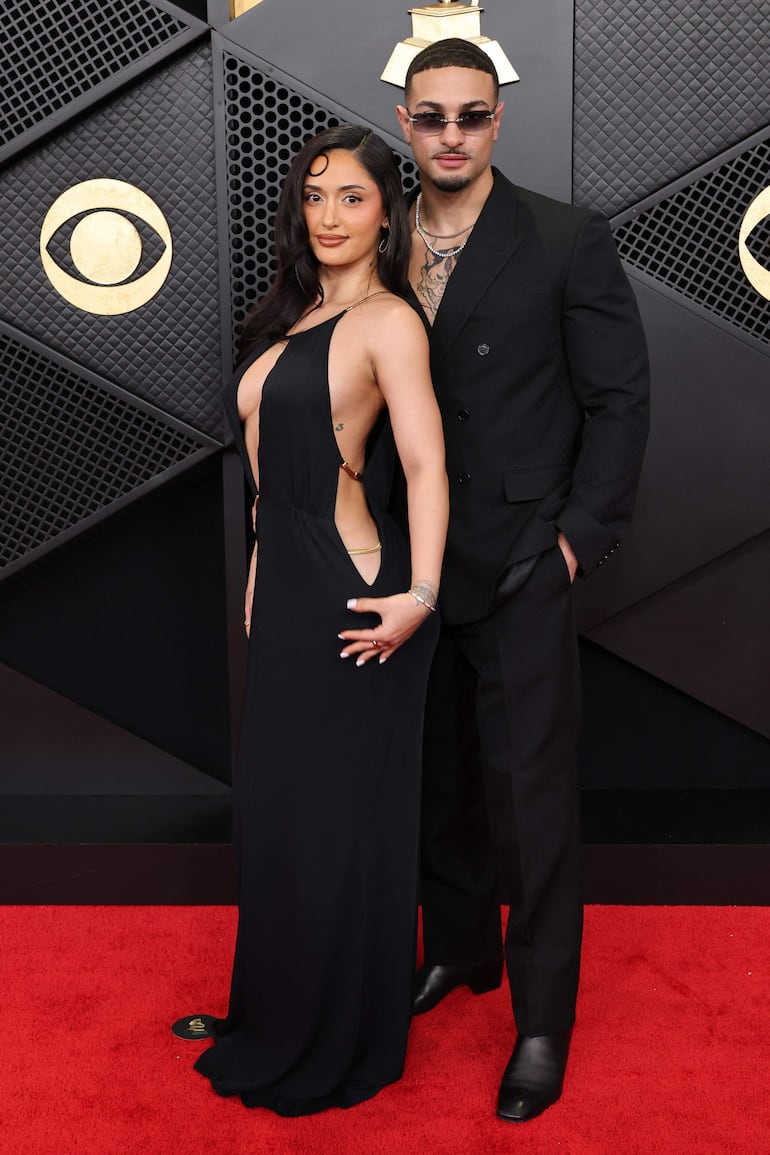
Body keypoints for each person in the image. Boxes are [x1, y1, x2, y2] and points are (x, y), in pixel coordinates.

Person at [394, 39, 650, 1123]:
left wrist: (571, 541)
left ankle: (540, 1021)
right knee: (432, 782)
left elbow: (619, 401)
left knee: (530, 806)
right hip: (405, 563)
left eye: (469, 115)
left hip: (515, 560)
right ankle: (459, 952)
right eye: (429, 116)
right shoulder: (367, 229)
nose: (449, 134)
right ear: (404, 123)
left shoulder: (559, 236)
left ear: (497, 120)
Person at [185, 124, 448, 1115]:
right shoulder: (289, 316)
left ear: (386, 210)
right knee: (283, 818)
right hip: (284, 582)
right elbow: (260, 481)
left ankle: (338, 1031)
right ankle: (276, 1011)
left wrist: (418, 596)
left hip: (353, 590)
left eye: (351, 197)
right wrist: (257, 580)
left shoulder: (389, 322)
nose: (329, 216)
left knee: (340, 824)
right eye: (314, 196)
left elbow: (424, 467)